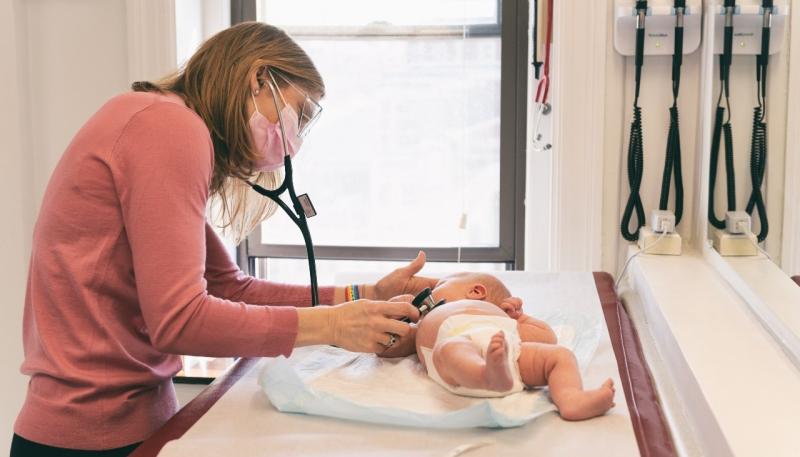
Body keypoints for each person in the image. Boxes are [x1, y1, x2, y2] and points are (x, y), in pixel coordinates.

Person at [12, 22, 433, 456]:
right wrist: (333, 325)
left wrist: (361, 295)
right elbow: (181, 319)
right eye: (300, 114)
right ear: (258, 79)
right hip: (90, 436)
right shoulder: (166, 127)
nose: (296, 142)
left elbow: (230, 287)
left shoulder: (159, 122)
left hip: (125, 425)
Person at [389, 273, 616, 421]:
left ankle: (570, 398)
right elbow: (388, 346)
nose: (430, 293)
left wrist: (521, 319)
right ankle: (485, 373)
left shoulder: (504, 321)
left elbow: (547, 340)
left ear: (476, 292)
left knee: (560, 355)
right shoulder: (424, 324)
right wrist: (395, 312)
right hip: (459, 357)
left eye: (439, 287)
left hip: (507, 353)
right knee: (449, 349)